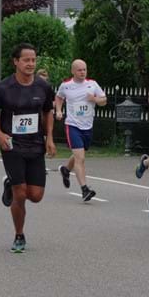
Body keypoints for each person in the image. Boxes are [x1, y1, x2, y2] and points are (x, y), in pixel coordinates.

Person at [0, 43, 56, 253]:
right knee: (20, 193)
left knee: (35, 195)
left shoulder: (43, 87)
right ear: (16, 62)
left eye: (33, 60)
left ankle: (10, 184)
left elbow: (48, 111)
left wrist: (50, 137)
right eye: (26, 60)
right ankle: (19, 235)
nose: (30, 64)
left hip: (35, 145)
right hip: (12, 145)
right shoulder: (3, 88)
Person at [55, 59, 107, 201]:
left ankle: (66, 169)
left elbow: (104, 100)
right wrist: (58, 110)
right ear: (73, 71)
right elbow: (59, 97)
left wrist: (94, 99)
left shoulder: (92, 84)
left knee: (80, 153)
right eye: (79, 70)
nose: (83, 72)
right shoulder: (66, 85)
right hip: (72, 125)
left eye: (84, 69)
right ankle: (85, 190)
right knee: (80, 158)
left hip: (87, 126)